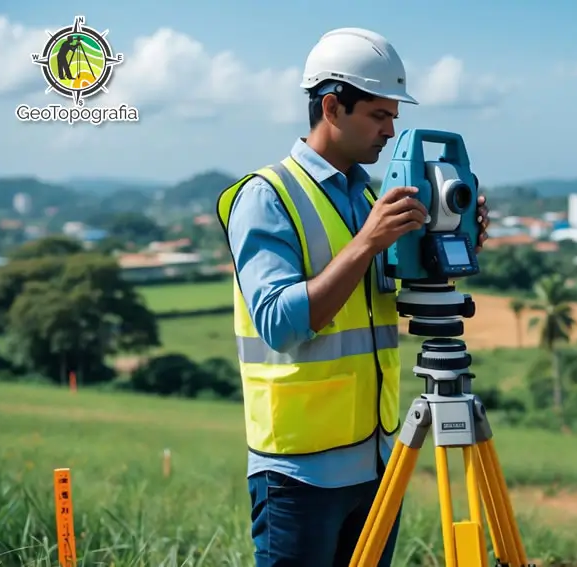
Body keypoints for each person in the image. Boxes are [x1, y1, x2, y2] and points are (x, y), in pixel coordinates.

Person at [215, 27, 490, 567]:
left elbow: (400, 286)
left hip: (378, 460)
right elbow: (278, 321)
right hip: (298, 471)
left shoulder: (371, 196)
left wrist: (456, 235)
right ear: (333, 107)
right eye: (379, 115)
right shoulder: (267, 196)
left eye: (394, 116)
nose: (391, 131)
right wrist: (368, 241)